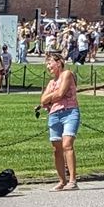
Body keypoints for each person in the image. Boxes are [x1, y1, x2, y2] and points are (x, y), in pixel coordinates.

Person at [39, 50, 80, 186]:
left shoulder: (67, 74)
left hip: (69, 112)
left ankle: (72, 180)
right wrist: (51, 97)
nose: (48, 67)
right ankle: (62, 180)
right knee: (56, 149)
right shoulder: (51, 82)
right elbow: (43, 100)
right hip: (54, 115)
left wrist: (51, 97)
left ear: (58, 63)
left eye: (50, 63)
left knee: (67, 144)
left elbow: (61, 93)